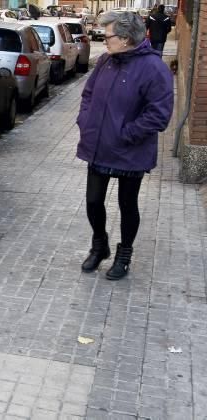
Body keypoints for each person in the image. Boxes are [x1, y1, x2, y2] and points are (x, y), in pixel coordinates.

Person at [76, 11, 173, 280]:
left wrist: (126, 133)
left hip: (131, 149)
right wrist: (86, 121)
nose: (104, 39)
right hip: (98, 145)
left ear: (127, 38)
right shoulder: (106, 61)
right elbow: (88, 94)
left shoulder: (154, 68)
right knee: (93, 201)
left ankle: (124, 255)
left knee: (127, 204)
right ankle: (100, 245)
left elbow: (159, 114)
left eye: (108, 35)